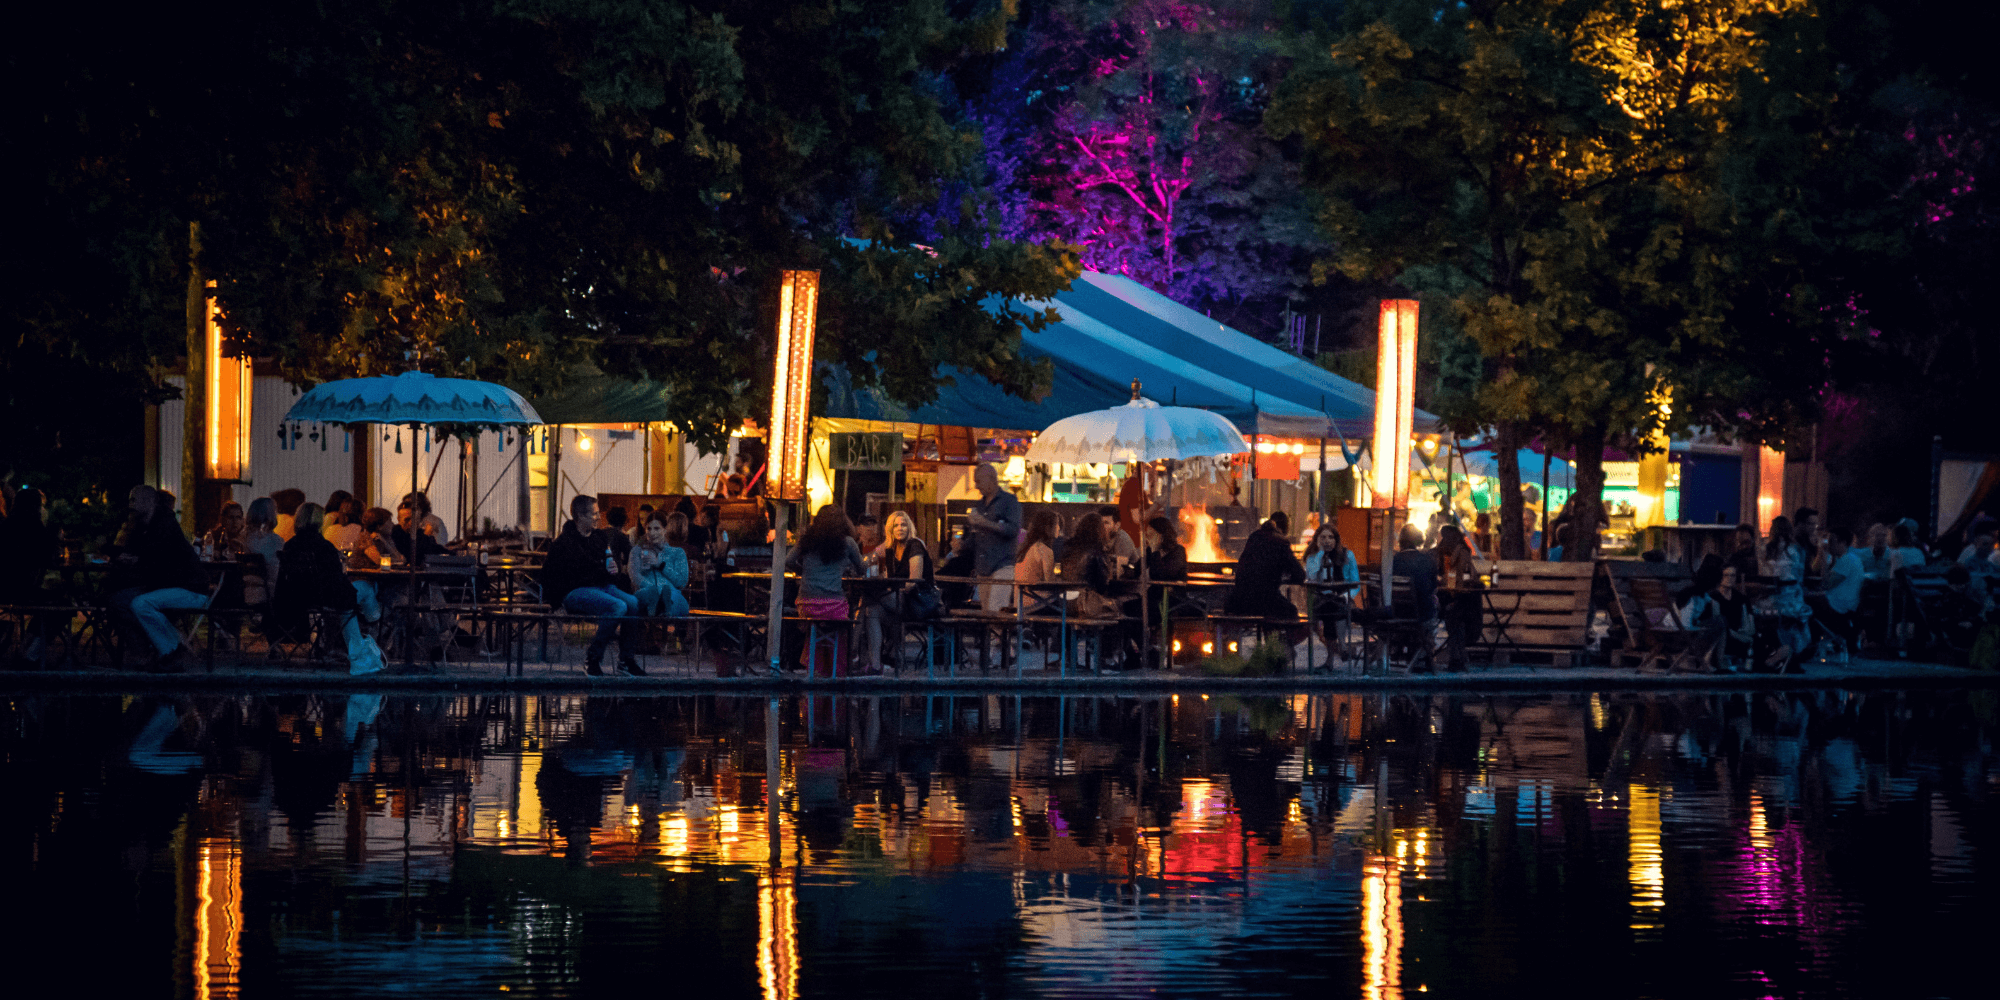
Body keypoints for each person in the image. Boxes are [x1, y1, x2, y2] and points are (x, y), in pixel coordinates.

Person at [106, 484, 210, 671]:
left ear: (149, 501)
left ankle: (171, 651)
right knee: (117, 602)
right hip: (163, 586)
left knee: (139, 603)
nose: (130, 504)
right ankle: (145, 652)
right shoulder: (143, 525)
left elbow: (156, 560)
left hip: (188, 587)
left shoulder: (164, 525)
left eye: (134, 499)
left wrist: (134, 561)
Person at [542, 494, 642, 675]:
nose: (598, 518)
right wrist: (555, 603)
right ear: (580, 516)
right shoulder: (563, 543)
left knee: (633, 603)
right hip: (575, 590)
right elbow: (547, 575)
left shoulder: (600, 538)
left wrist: (613, 570)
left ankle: (626, 659)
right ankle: (593, 657)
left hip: (602, 586)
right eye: (594, 514)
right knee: (618, 606)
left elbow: (607, 561)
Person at [268, 503, 367, 657]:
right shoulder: (324, 547)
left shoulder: (290, 546)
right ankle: (346, 647)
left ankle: (332, 646)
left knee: (344, 599)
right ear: (318, 521)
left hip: (292, 599)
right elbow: (335, 578)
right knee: (349, 598)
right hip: (319, 597)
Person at [786, 505, 866, 672]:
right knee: (845, 619)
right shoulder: (848, 543)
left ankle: (814, 667)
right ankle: (839, 668)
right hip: (833, 607)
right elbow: (862, 569)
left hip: (806, 605)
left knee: (814, 627)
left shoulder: (806, 540)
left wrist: (801, 571)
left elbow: (788, 560)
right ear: (842, 522)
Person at [867, 510, 936, 669]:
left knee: (871, 597)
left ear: (909, 527)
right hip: (899, 600)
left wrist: (887, 589)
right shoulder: (891, 548)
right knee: (871, 611)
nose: (900, 528)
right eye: (895, 525)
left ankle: (857, 651)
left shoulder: (915, 545)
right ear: (890, 529)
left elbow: (914, 580)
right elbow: (871, 557)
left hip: (917, 601)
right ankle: (876, 665)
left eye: (904, 524)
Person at [0, 487, 61, 665]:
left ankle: (25, 649)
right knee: (60, 605)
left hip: (4, 589)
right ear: (35, 507)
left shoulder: (5, 526)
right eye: (42, 506)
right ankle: (29, 652)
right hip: (21, 591)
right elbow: (49, 560)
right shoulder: (36, 529)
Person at [964, 463, 1023, 612]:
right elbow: (976, 535)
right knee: (986, 612)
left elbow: (1013, 529)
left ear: (991, 479)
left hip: (1003, 563)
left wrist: (985, 523)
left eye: (978, 481)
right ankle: (993, 635)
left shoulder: (1009, 502)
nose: (976, 486)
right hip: (983, 566)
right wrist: (962, 545)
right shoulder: (980, 505)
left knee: (995, 611)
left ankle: (996, 636)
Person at [1757, 515, 1812, 671]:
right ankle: (1788, 656)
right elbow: (1800, 573)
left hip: (1774, 592)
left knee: (1781, 622)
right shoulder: (1795, 550)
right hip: (1791, 592)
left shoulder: (1766, 549)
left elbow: (1764, 573)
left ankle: (1781, 655)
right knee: (1795, 624)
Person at [1225, 511, 1305, 619]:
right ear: (1285, 528)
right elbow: (1299, 574)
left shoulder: (1254, 537)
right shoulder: (1281, 542)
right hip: (1264, 600)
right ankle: (1274, 636)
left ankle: (1267, 635)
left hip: (1237, 601)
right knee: (1291, 612)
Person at [1433, 524, 1482, 672]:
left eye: (1442, 537)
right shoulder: (1443, 554)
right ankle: (1457, 658)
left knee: (1453, 615)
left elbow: (1465, 580)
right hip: (1452, 597)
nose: (1439, 540)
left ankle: (1456, 658)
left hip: (1464, 600)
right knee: (1452, 614)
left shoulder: (1461, 554)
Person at [1058, 510, 1124, 620]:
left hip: (1063, 602)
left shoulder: (1068, 548)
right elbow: (1102, 586)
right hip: (1084, 603)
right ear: (1099, 530)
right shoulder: (1097, 551)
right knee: (1120, 608)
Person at [1809, 527, 1863, 652]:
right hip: (1844, 605)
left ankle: (1810, 645)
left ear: (1843, 542)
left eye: (1832, 541)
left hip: (1838, 607)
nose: (1829, 545)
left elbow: (1826, 584)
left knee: (1804, 604)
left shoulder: (1847, 560)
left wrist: (1823, 558)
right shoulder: (1849, 559)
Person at [631, 513, 691, 618]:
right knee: (646, 595)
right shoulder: (637, 551)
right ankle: (661, 608)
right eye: (649, 529)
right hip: (647, 591)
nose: (652, 533)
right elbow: (635, 576)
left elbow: (681, 582)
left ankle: (664, 608)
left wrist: (661, 565)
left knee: (672, 595)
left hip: (672, 593)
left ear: (665, 529)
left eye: (657, 529)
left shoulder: (677, 552)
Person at [391, 500, 447, 566]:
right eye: (407, 519)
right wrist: (426, 534)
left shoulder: (419, 532)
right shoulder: (396, 532)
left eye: (415, 519)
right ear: (398, 519)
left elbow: (435, 549)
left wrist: (452, 549)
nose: (411, 523)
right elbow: (414, 555)